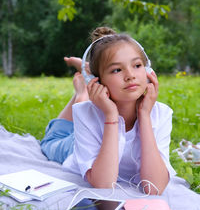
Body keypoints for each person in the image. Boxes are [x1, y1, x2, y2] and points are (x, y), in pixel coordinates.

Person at [41, 26, 176, 195]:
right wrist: (111, 115)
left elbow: (154, 187)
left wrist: (144, 115)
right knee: (51, 141)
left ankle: (83, 89)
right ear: (97, 81)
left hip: (96, 130)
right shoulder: (86, 114)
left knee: (82, 107)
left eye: (137, 65)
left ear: (148, 71)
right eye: (117, 70)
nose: (130, 75)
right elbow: (104, 184)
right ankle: (81, 93)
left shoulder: (161, 114)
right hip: (74, 147)